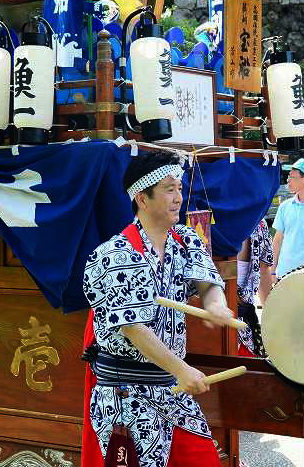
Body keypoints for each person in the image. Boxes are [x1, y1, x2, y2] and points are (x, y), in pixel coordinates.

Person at [82, 152, 234, 467]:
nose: (178, 197)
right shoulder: (118, 254)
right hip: (126, 394)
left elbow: (208, 284)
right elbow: (134, 329)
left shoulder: (185, 240)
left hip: (171, 387)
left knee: (203, 461)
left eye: (179, 188)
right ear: (142, 198)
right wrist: (182, 370)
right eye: (168, 189)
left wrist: (216, 305)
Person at [237, 219, 273, 357]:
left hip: (246, 327)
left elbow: (263, 270)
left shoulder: (259, 224)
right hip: (208, 327)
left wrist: (271, 319)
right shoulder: (203, 219)